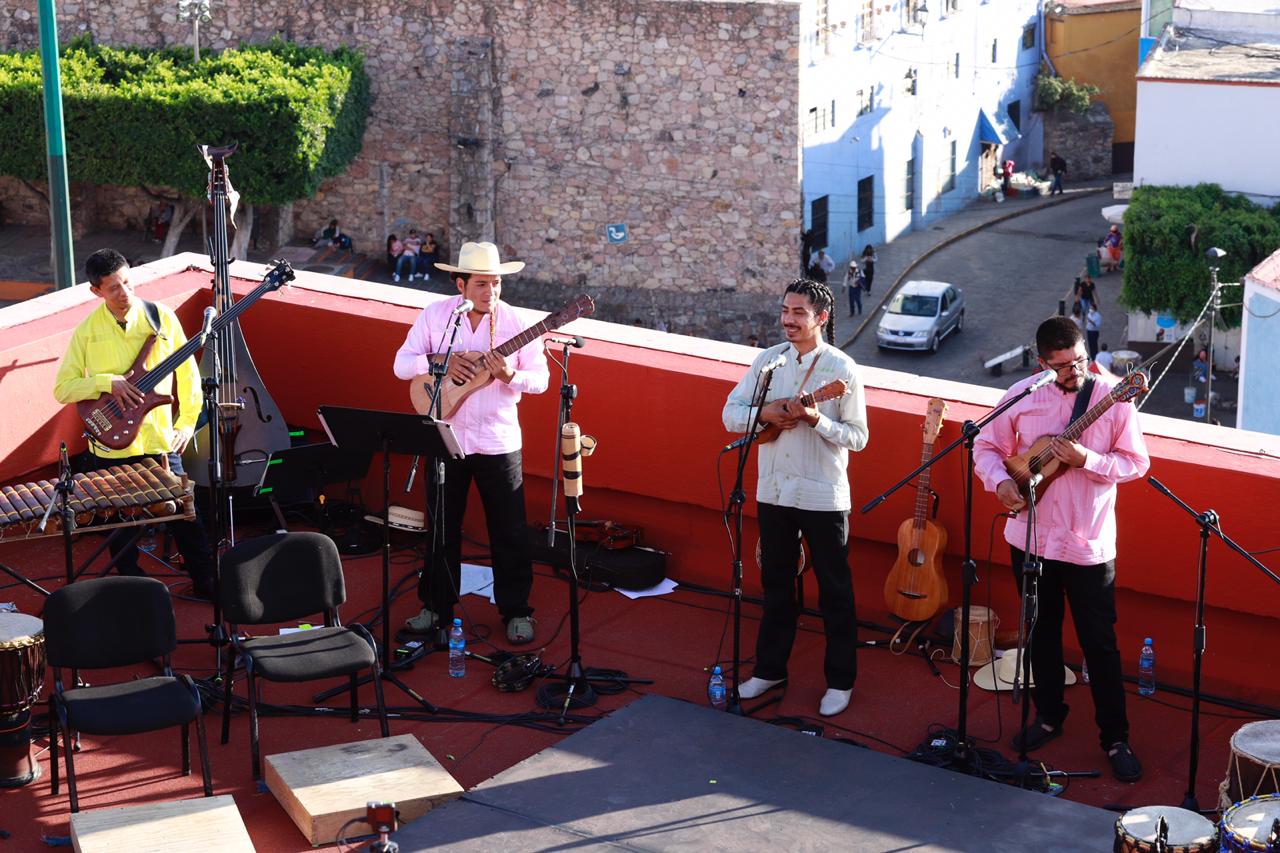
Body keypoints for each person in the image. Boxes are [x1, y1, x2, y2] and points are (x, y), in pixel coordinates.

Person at [973, 316, 1150, 783]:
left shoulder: (1113, 397)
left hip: (1087, 543)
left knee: (1100, 644)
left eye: (1080, 361)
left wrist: (1086, 458)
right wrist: (1000, 485)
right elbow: (987, 446)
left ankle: (1115, 737)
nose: (1075, 373)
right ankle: (1049, 716)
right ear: (1042, 364)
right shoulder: (1023, 394)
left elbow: (1136, 463)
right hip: (1029, 536)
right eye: (1064, 367)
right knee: (1040, 632)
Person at [722, 278, 869, 717]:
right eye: (785, 310)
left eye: (798, 312)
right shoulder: (767, 362)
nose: (788, 319)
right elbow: (730, 414)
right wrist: (764, 412)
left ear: (821, 318)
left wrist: (817, 419)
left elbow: (858, 438)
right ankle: (770, 670)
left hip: (824, 496)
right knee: (776, 586)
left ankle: (840, 681)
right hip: (774, 491)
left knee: (834, 592)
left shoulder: (842, 369)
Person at [392, 242, 549, 645]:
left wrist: (511, 374)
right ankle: (435, 607)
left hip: (499, 440)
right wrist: (436, 363)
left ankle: (516, 610)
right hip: (446, 436)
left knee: (509, 530)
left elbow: (541, 381)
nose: (490, 292)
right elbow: (401, 364)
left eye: (496, 283)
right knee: (442, 526)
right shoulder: (436, 317)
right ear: (460, 283)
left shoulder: (518, 323)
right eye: (481, 284)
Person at [52, 249, 215, 598]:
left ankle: (207, 583)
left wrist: (186, 423)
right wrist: (106, 382)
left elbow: (187, 377)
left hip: (158, 442)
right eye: (113, 287)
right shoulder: (86, 332)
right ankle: (133, 590)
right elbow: (63, 389)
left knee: (185, 516)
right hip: (110, 446)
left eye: (127, 282)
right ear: (96, 291)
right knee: (120, 527)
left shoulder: (162, 318)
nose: (124, 292)